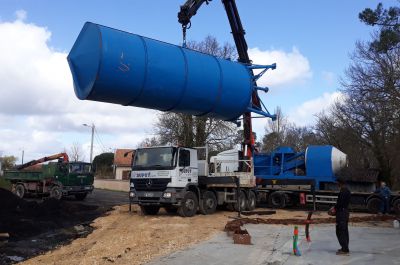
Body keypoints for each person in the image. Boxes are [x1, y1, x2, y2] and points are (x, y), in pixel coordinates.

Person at [335, 178, 351, 255]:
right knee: (344, 231)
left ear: (341, 183)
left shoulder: (343, 192)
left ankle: (344, 250)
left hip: (341, 213)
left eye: (337, 182)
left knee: (340, 231)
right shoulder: (347, 191)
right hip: (345, 212)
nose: (337, 184)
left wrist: (334, 208)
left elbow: (340, 203)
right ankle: (344, 247)